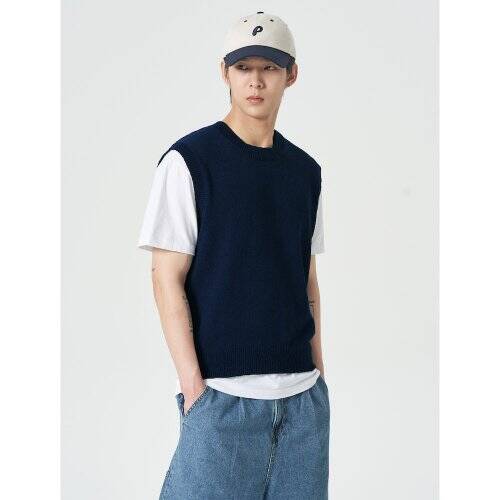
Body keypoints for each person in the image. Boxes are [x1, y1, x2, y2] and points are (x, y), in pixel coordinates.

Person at [138, 11, 330, 499]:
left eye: (269, 68)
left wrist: (319, 375)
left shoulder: (305, 172)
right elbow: (165, 278)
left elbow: (306, 279)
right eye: (244, 68)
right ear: (225, 72)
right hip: (222, 402)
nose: (256, 81)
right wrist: (194, 390)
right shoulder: (189, 162)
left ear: (291, 74)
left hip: (303, 407)